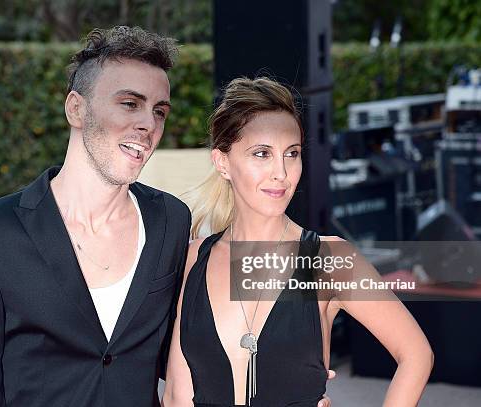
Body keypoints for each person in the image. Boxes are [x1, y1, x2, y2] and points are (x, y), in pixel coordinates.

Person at [0, 26, 191, 407]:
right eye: (129, 103)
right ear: (76, 108)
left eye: (159, 111)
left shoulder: (170, 220)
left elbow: (181, 354)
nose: (149, 124)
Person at [162, 77, 434, 407]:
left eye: (292, 154)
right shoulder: (194, 259)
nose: (281, 172)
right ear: (222, 162)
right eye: (262, 153)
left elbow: (416, 353)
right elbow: (178, 394)